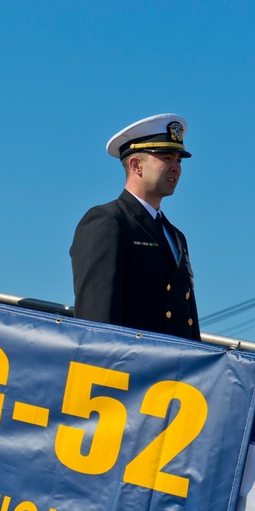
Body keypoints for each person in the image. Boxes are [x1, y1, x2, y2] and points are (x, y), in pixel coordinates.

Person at [70, 113, 199, 340]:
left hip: (174, 370)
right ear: (136, 165)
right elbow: (97, 318)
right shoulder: (107, 221)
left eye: (178, 160)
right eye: (166, 158)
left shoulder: (176, 236)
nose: (175, 167)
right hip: (131, 368)